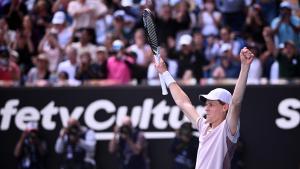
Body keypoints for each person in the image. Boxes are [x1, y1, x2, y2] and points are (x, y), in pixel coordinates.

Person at [155, 47, 254, 169]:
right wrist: (165, 73)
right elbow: (183, 102)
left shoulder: (227, 129)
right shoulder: (203, 126)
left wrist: (244, 67)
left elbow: (236, 102)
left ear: (225, 107)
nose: (206, 109)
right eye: (206, 104)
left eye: (211, 105)